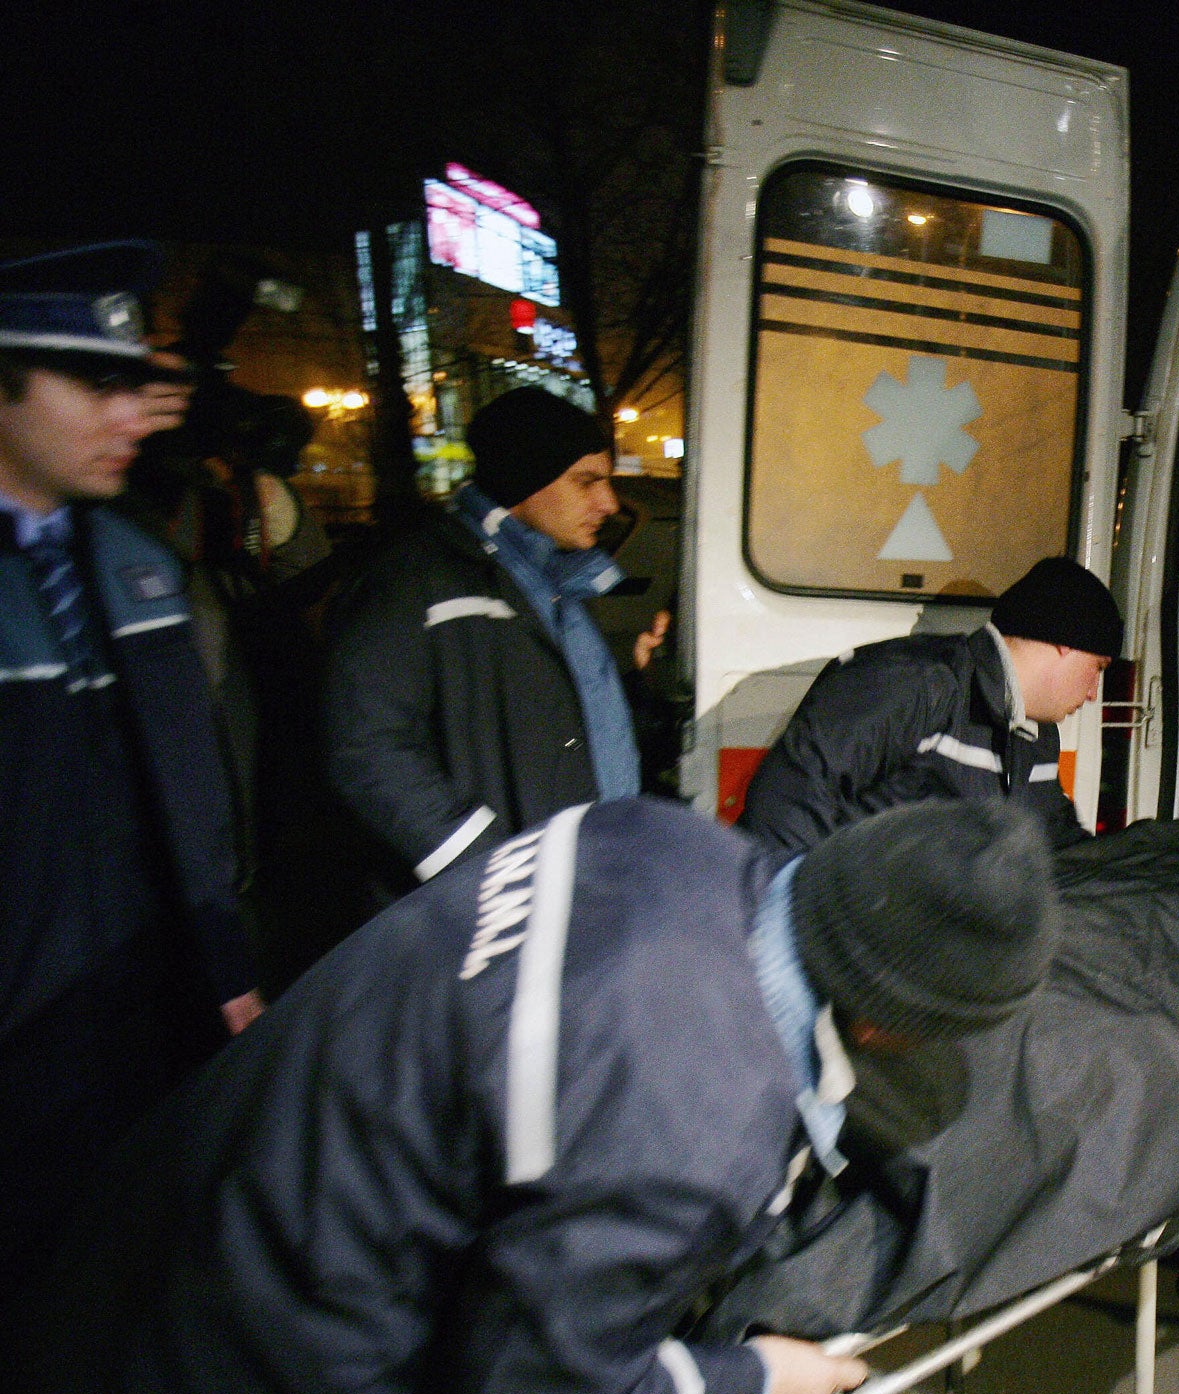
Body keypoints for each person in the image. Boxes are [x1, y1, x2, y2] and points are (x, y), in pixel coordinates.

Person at [1, 795, 1059, 1394]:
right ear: (887, 1028)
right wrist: (744, 1385)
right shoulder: (691, 1122)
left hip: (150, 1230)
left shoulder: (649, 838)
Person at [0, 241, 263, 1294]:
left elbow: (187, 795)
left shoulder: (135, 562)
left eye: (135, 385)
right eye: (94, 385)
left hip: (152, 1022)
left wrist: (229, 971)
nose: (130, 416)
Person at [324, 385, 670, 896]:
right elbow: (366, 746)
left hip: (567, 878)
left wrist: (623, 669)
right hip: (484, 906)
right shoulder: (418, 579)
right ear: (523, 482)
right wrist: (484, 864)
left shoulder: (548, 582)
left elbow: (530, 696)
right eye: (586, 482)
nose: (609, 502)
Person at [738, 554, 1122, 855]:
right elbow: (789, 800)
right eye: (1097, 668)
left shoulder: (1033, 734)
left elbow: (1055, 840)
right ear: (1065, 644)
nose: (1093, 692)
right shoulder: (918, 683)